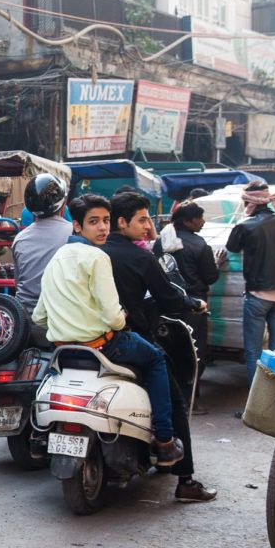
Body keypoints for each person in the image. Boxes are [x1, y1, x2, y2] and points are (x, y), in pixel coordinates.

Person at [32, 194, 186, 472]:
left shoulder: (57, 257)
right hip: (104, 345)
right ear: (77, 226)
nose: (102, 227)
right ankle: (165, 441)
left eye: (105, 220)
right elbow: (114, 318)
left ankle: (37, 436)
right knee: (156, 360)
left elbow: (38, 316)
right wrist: (121, 316)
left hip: (64, 350)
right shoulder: (97, 256)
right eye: (94, 222)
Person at [99, 193, 216, 502]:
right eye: (142, 220)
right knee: (174, 398)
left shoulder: (93, 253)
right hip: (129, 338)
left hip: (88, 339)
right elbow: (168, 296)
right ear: (121, 222)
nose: (148, 226)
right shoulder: (140, 257)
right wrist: (195, 303)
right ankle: (182, 474)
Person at [226, 181, 275, 385]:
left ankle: (256, 398)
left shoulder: (245, 225)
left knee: (253, 351)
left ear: (249, 203)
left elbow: (232, 247)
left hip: (257, 296)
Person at [155, 201, 220, 386]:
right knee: (194, 348)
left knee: (170, 347)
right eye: (199, 218)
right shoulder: (200, 245)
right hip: (194, 306)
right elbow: (210, 277)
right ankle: (192, 391)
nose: (203, 222)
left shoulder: (161, 242)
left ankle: (173, 387)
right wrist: (217, 264)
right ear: (187, 221)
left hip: (166, 304)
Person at [11, 174, 72, 321]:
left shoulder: (19, 239)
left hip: (23, 316)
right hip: (60, 316)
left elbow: (18, 282)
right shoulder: (74, 233)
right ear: (63, 204)